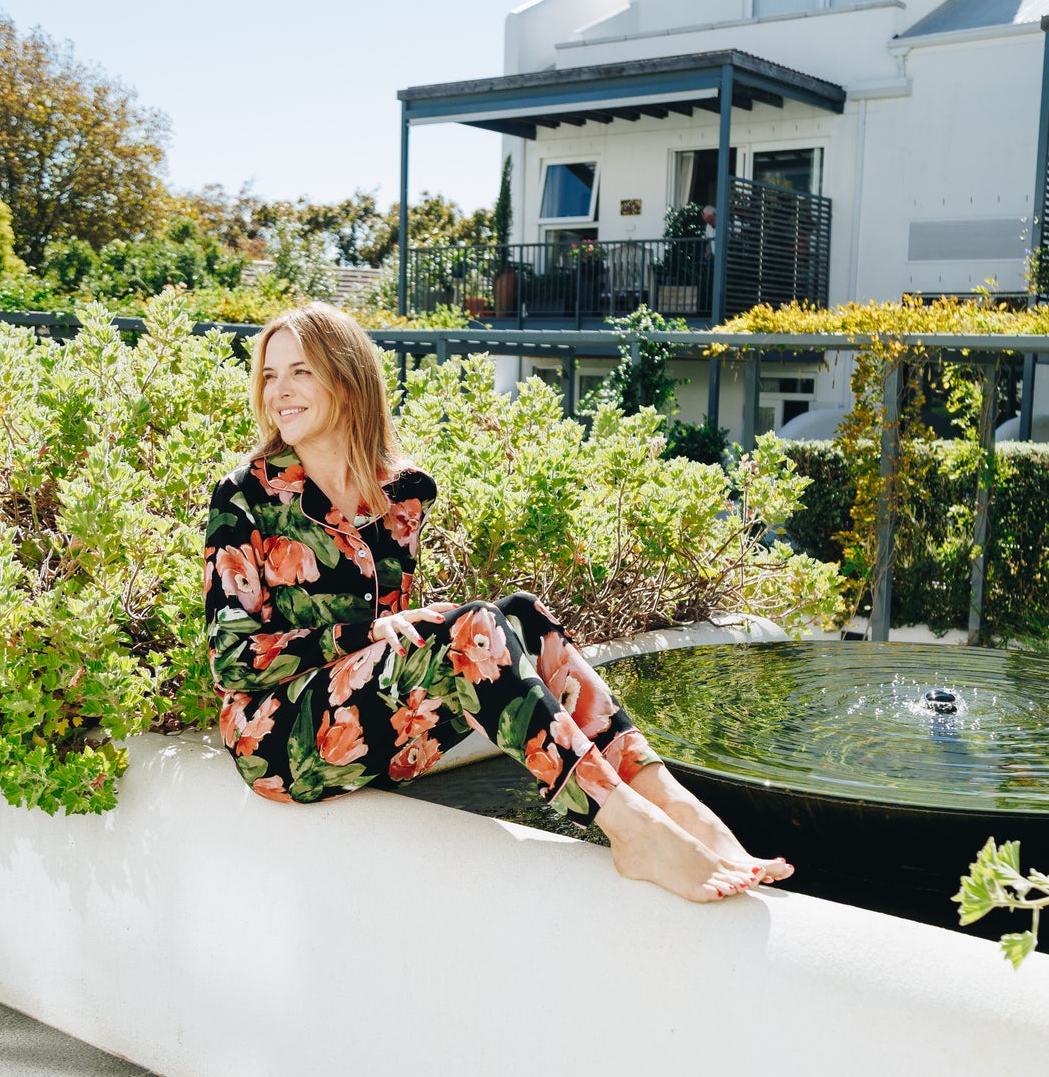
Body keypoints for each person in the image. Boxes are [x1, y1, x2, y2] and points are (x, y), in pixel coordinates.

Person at [203, 302, 793, 903]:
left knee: (522, 619)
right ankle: (630, 829)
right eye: (270, 376)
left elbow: (402, 646)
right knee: (474, 626)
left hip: (369, 722)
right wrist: (366, 634)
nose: (280, 391)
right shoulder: (244, 496)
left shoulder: (402, 491)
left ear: (347, 381)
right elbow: (232, 661)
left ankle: (676, 806)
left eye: (300, 372)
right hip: (276, 740)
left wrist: (398, 636)